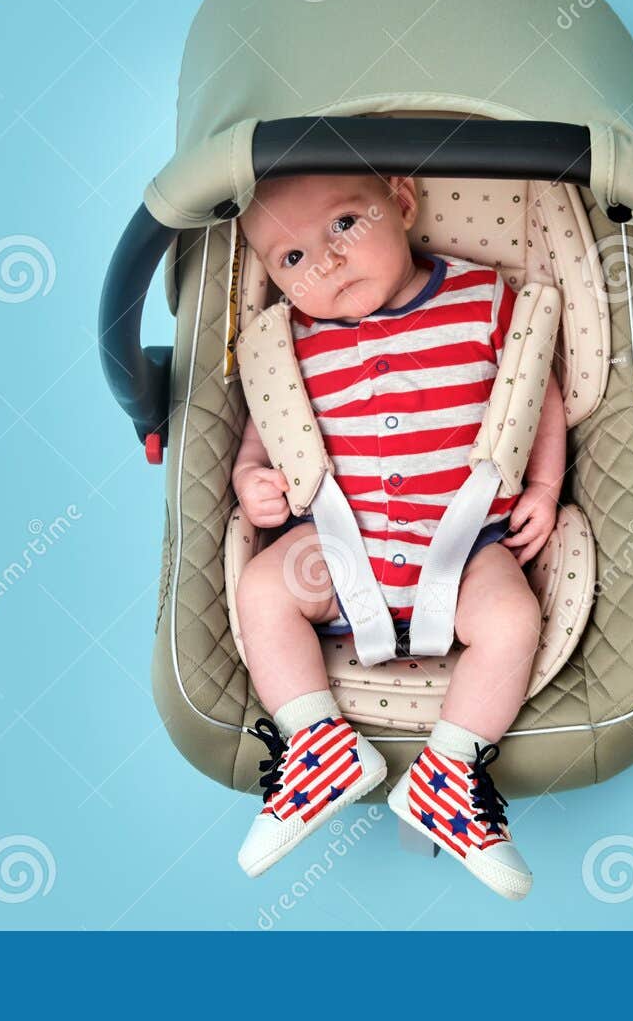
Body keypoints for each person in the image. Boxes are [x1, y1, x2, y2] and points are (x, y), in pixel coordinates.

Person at [230, 171, 565, 900]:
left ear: (403, 203)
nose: (323, 263)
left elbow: (537, 393)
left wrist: (542, 486)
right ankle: (316, 745)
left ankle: (447, 774)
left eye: (344, 224)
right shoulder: (292, 344)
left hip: (468, 544)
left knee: (512, 617)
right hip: (338, 555)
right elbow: (264, 435)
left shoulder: (483, 297)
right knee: (262, 588)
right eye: (291, 261)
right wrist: (250, 480)